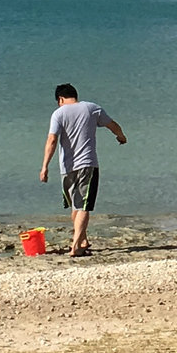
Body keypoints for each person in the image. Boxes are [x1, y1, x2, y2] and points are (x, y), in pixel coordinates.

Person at [39, 82, 126, 256]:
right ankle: (76, 247)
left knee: (76, 206)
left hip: (66, 167)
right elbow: (112, 124)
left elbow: (52, 140)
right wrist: (121, 136)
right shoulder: (91, 108)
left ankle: (82, 240)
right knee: (83, 207)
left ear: (60, 99)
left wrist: (45, 167)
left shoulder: (58, 114)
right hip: (88, 164)